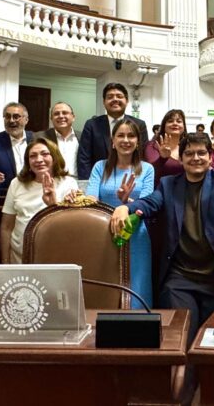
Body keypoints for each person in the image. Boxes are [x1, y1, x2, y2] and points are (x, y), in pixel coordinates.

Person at [110, 132, 214, 344]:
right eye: (189, 153)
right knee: (182, 336)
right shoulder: (168, 184)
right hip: (180, 279)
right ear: (181, 159)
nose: (196, 158)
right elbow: (150, 203)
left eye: (201, 153)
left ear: (210, 157)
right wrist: (124, 208)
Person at [86, 120, 154, 310]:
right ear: (113, 141)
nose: (126, 140)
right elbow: (91, 198)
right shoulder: (100, 167)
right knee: (106, 286)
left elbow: (146, 203)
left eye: (131, 136)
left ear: (138, 142)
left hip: (136, 235)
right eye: (121, 136)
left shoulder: (147, 169)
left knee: (138, 289)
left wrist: (127, 201)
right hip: (104, 233)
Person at [1, 138, 79, 263]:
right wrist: (5, 262)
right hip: (19, 258)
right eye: (33, 156)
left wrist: (53, 205)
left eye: (45, 154)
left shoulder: (69, 183)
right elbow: (6, 227)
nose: (38, 160)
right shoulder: (16, 183)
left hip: (56, 256)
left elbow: (72, 227)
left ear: (55, 157)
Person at [77, 83, 149, 180]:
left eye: (119, 96)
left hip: (130, 179)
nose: (115, 99)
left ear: (127, 101)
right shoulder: (92, 125)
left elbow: (142, 154)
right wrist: (87, 183)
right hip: (98, 180)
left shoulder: (139, 124)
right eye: (110, 97)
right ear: (104, 102)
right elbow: (84, 158)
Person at [0, 102, 34, 198]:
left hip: (33, 193)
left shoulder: (36, 138)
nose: (11, 120)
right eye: (7, 117)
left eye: (16, 117)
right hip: (5, 196)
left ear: (26, 120)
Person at [35, 101, 79, 178]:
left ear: (73, 117)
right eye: (56, 114)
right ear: (51, 118)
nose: (61, 116)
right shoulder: (40, 137)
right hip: (51, 180)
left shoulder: (82, 136)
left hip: (78, 182)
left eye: (65, 113)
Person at [144, 109, 187, 186]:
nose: (175, 123)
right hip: (159, 190)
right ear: (164, 126)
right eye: (170, 121)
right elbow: (150, 170)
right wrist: (162, 158)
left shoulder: (187, 147)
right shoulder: (153, 145)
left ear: (184, 127)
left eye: (179, 121)